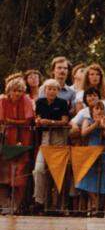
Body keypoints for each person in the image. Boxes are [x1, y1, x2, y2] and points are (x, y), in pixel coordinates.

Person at [32, 79, 72, 214]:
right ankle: (39, 201)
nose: (51, 91)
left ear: (58, 91)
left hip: (58, 137)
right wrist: (38, 121)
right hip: (45, 138)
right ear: (45, 90)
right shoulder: (40, 102)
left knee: (57, 172)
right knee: (38, 169)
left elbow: (65, 121)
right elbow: (37, 118)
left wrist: (50, 122)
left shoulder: (62, 103)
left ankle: (58, 205)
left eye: (54, 89)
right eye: (49, 88)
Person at [1, 78, 35, 213]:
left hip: (23, 140)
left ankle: (15, 206)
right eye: (15, 90)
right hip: (6, 139)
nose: (18, 93)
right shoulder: (2, 100)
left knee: (20, 175)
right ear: (9, 90)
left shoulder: (26, 100)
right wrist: (17, 122)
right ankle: (4, 205)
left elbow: (28, 120)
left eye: (20, 91)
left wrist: (12, 121)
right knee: (3, 175)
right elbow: (2, 119)